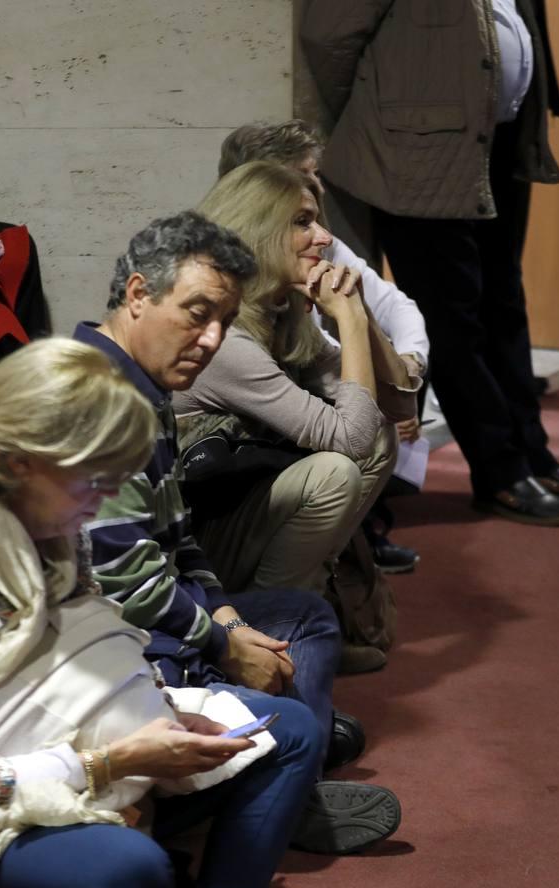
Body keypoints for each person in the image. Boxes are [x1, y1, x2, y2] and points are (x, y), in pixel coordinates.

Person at [0, 337, 323, 888]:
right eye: (95, 477)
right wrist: (113, 765)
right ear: (22, 462)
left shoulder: (54, 522)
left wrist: (158, 718)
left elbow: (96, 655)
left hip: (36, 749)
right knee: (127, 866)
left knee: (290, 731)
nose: (108, 497)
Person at [76, 210, 401, 855]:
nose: (212, 338)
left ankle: (277, 773)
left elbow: (177, 538)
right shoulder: (96, 396)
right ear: (138, 295)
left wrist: (224, 613)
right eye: (198, 313)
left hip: (144, 622)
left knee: (301, 619)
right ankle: (283, 789)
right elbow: (116, 582)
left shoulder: (142, 384)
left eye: (224, 320)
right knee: (300, 726)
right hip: (98, 652)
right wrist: (222, 644)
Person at [301, 0, 559, 526]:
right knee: (452, 323)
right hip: (419, 153)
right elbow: (327, 38)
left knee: (504, 307)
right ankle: (499, 470)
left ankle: (533, 454)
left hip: (499, 146)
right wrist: (384, 119)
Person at [182, 162, 417, 590]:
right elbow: (349, 439)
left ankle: (303, 601)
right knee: (333, 473)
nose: (325, 238)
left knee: (381, 434)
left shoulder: (283, 309)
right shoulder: (223, 339)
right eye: (303, 222)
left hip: (233, 497)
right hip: (190, 545)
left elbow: (397, 405)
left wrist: (358, 311)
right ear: (257, 232)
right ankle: (272, 618)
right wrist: (347, 318)